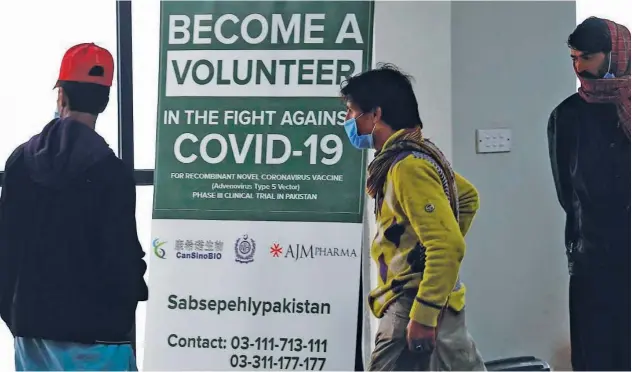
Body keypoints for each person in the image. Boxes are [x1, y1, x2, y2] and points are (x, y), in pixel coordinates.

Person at [0, 42, 148, 371]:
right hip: (100, 338)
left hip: (32, 333)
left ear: (61, 97)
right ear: (105, 102)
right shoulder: (113, 173)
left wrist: (17, 316)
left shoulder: (19, 163)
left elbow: (6, 248)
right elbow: (121, 259)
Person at [340, 63, 485, 371]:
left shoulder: (408, 166)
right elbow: (467, 197)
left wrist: (424, 314)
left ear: (375, 114)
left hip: (413, 303)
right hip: (424, 301)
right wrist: (426, 249)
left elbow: (447, 246)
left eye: (351, 112)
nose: (347, 120)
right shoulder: (414, 156)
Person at [547, 17, 630, 371]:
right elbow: (567, 193)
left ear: (616, 54)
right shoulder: (566, 116)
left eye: (588, 57)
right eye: (574, 58)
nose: (579, 66)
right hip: (592, 254)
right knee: (595, 352)